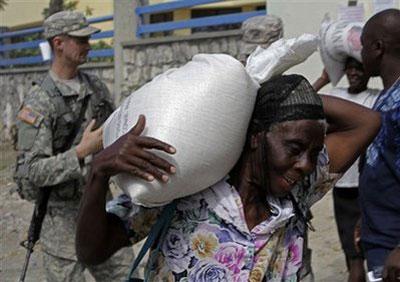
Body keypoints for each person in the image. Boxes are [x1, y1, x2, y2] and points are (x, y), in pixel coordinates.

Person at [76, 74, 380, 281]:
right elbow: (92, 250)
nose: (305, 164)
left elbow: (367, 121)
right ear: (256, 136)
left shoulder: (296, 193)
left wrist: (271, 90)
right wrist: (98, 174)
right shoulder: (187, 186)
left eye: (314, 153)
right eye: (295, 148)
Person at [14, 11, 133, 281]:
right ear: (59, 43)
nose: (88, 46)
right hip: (62, 230)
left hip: (102, 214)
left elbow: (114, 134)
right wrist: (82, 151)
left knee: (130, 276)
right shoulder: (39, 101)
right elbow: (33, 170)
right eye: (80, 40)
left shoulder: (96, 88)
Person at [313, 57, 379, 282]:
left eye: (359, 68)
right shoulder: (337, 95)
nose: (354, 73)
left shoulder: (375, 97)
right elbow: (303, 105)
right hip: (341, 186)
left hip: (369, 186)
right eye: (349, 68)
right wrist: (323, 79)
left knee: (370, 248)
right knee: (351, 252)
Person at [358, 9, 400, 282]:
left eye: (363, 46)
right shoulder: (387, 97)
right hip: (381, 239)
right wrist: (366, 220)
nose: (360, 54)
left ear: (377, 48)